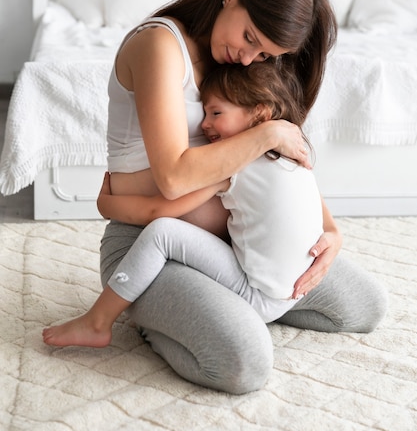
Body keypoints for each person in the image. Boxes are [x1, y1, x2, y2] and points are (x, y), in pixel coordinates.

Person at [43, 0, 388, 394]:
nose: (248, 57)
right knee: (245, 363)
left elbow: (278, 163)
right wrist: (269, 132)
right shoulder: (161, 47)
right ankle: (153, 316)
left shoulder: (237, 66)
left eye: (263, 53)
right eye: (249, 37)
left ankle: (231, 307)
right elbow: (173, 177)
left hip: (240, 251)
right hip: (149, 248)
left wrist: (330, 230)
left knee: (365, 306)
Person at [43, 62, 326, 347]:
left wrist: (105, 205)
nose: (204, 125)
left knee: (163, 233)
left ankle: (98, 322)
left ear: (260, 112)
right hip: (296, 290)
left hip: (259, 295)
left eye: (216, 112)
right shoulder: (292, 148)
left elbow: (158, 212)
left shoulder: (232, 164)